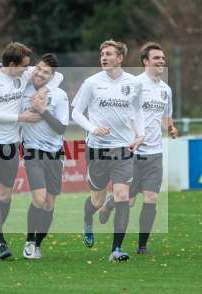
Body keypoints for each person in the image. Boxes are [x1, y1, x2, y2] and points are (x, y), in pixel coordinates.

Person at [0, 42, 63, 259]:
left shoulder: (23, 73)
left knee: (5, 194)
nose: (29, 69)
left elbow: (57, 76)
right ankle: (0, 242)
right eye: (25, 66)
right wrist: (20, 117)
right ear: (12, 64)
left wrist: (44, 89)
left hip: (12, 142)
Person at [98, 42, 178, 254]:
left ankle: (142, 246)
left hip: (154, 154)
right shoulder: (134, 85)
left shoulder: (166, 90)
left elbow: (166, 117)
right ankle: (109, 204)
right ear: (145, 61)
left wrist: (171, 128)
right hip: (132, 153)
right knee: (129, 201)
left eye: (163, 58)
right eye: (157, 58)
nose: (162, 61)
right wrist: (136, 134)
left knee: (151, 198)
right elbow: (126, 113)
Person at [71, 40, 145, 262]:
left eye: (109, 53)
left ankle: (116, 250)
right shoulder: (91, 83)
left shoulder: (133, 83)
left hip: (123, 148)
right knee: (97, 200)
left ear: (120, 58)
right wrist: (93, 129)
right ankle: (87, 219)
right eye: (102, 53)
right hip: (97, 149)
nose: (103, 57)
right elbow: (76, 113)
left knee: (122, 195)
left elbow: (138, 111)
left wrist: (140, 134)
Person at [20, 53, 69, 259]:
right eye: (38, 69)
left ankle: (38, 244)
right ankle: (29, 242)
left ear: (52, 75)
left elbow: (61, 128)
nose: (40, 73)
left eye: (46, 72)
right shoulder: (23, 87)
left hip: (55, 154)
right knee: (39, 199)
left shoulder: (59, 95)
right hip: (32, 151)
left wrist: (42, 110)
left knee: (49, 203)